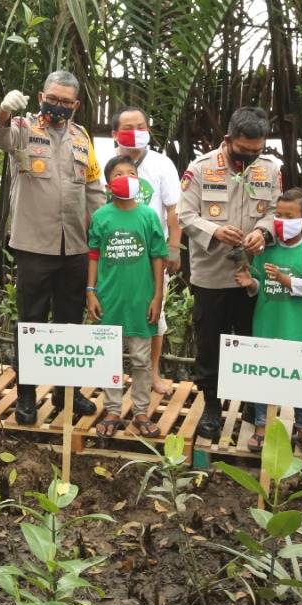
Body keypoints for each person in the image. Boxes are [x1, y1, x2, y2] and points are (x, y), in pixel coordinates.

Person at [0, 71, 106, 423]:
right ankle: (26, 394)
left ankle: (65, 392)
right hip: (34, 245)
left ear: (76, 105)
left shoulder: (82, 138)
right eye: (52, 99)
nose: (57, 106)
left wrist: (102, 231)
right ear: (41, 96)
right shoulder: (24, 128)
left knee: (70, 323)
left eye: (65, 102)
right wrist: (3, 113)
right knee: (32, 321)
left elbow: (94, 190)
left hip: (74, 246)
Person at [178, 106, 281, 439]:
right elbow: (185, 216)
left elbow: (278, 213)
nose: (249, 157)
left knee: (253, 340)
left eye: (256, 151)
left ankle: (253, 403)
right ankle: (211, 404)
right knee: (210, 343)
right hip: (212, 275)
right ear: (229, 139)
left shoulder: (271, 170)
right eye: (243, 150)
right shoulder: (201, 169)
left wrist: (264, 232)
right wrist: (215, 231)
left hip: (252, 275)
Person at [234, 187, 302, 455]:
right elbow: (261, 285)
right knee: (264, 377)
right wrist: (252, 283)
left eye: (290, 216)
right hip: (267, 325)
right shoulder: (265, 251)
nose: (283, 222)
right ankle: (261, 426)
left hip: (300, 328)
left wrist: (284, 280)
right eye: (279, 215)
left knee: (301, 380)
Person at [87, 155, 168, 439]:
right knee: (110, 358)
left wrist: (158, 295)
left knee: (142, 360)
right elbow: (94, 255)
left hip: (141, 301)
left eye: (131, 172)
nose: (126, 177)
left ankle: (141, 411)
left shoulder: (148, 216)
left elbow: (158, 256)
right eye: (119, 174)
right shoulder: (101, 216)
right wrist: (90, 292)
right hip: (109, 300)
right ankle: (112, 408)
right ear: (109, 185)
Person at [111, 106, 183, 396]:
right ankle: (111, 375)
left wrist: (174, 247)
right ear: (115, 133)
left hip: (151, 257)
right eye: (128, 127)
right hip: (114, 254)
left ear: (148, 130)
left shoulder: (163, 164)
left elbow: (173, 212)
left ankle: (152, 374)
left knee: (155, 313)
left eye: (141, 126)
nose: (135, 132)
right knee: (110, 312)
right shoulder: (107, 162)